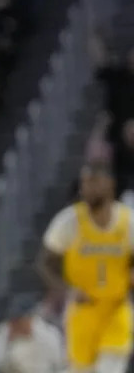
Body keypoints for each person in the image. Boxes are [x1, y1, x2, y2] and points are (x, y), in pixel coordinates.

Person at [38, 156, 134, 373]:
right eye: (83, 183)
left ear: (110, 183)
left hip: (116, 309)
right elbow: (46, 262)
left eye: (92, 181)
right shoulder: (69, 221)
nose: (86, 188)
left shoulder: (128, 221)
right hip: (82, 310)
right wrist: (65, 289)